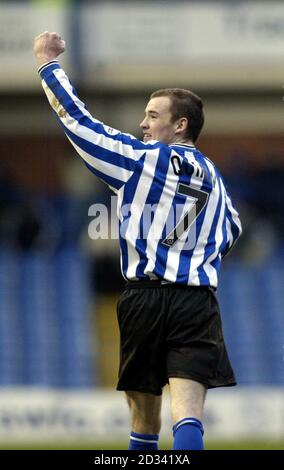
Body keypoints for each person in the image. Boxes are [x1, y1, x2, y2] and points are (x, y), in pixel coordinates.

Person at [33, 31, 242, 451]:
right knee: (188, 415)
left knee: (144, 421)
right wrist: (192, 252)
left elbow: (78, 121)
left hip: (145, 297)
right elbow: (232, 228)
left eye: (151, 115)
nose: (143, 124)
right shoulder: (214, 176)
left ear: (179, 124)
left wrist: (47, 64)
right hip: (197, 301)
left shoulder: (142, 160)